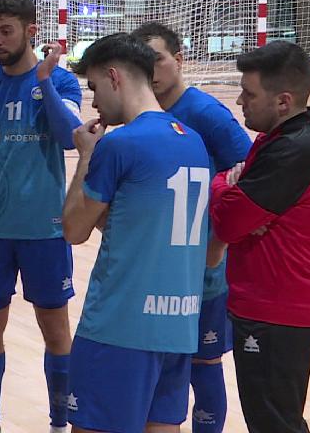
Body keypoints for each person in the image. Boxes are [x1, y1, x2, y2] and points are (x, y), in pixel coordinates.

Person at [62, 33, 211, 433]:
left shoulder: (122, 144)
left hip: (120, 328)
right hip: (178, 328)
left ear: (114, 77)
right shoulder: (194, 141)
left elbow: (74, 229)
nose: (93, 102)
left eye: (93, 87)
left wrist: (86, 157)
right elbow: (134, 222)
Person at [208, 41, 310, 433]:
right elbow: (237, 214)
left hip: (277, 313)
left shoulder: (296, 150)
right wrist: (231, 190)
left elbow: (230, 224)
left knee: (275, 425)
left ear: (283, 101)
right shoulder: (278, 141)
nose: (240, 101)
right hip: (268, 308)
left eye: (249, 94)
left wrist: (221, 186)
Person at [0, 0, 82, 433]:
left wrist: (44, 80)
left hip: (45, 231)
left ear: (31, 31)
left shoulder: (62, 82)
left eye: (5, 31)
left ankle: (59, 424)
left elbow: (70, 139)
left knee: (55, 331)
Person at [131, 22, 252, 433]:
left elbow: (252, 172)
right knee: (165, 362)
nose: (152, 69)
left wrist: (219, 240)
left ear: (179, 60)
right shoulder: (139, 115)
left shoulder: (205, 114)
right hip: (159, 267)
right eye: (143, 60)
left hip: (204, 268)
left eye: (159, 58)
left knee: (204, 361)